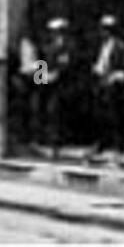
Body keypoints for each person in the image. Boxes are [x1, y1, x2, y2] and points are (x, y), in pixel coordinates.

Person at [90, 14, 124, 163]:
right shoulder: (100, 46)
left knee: (114, 117)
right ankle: (100, 144)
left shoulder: (120, 46)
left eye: (106, 30)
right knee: (99, 116)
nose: (103, 33)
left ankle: (117, 147)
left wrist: (113, 76)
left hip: (112, 87)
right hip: (100, 84)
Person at [38, 17, 73, 158]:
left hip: (63, 85)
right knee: (49, 111)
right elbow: (43, 61)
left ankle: (56, 145)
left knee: (56, 112)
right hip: (48, 85)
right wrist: (40, 78)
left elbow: (65, 65)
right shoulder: (49, 46)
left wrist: (55, 74)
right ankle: (48, 142)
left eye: (57, 32)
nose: (54, 34)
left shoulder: (68, 45)